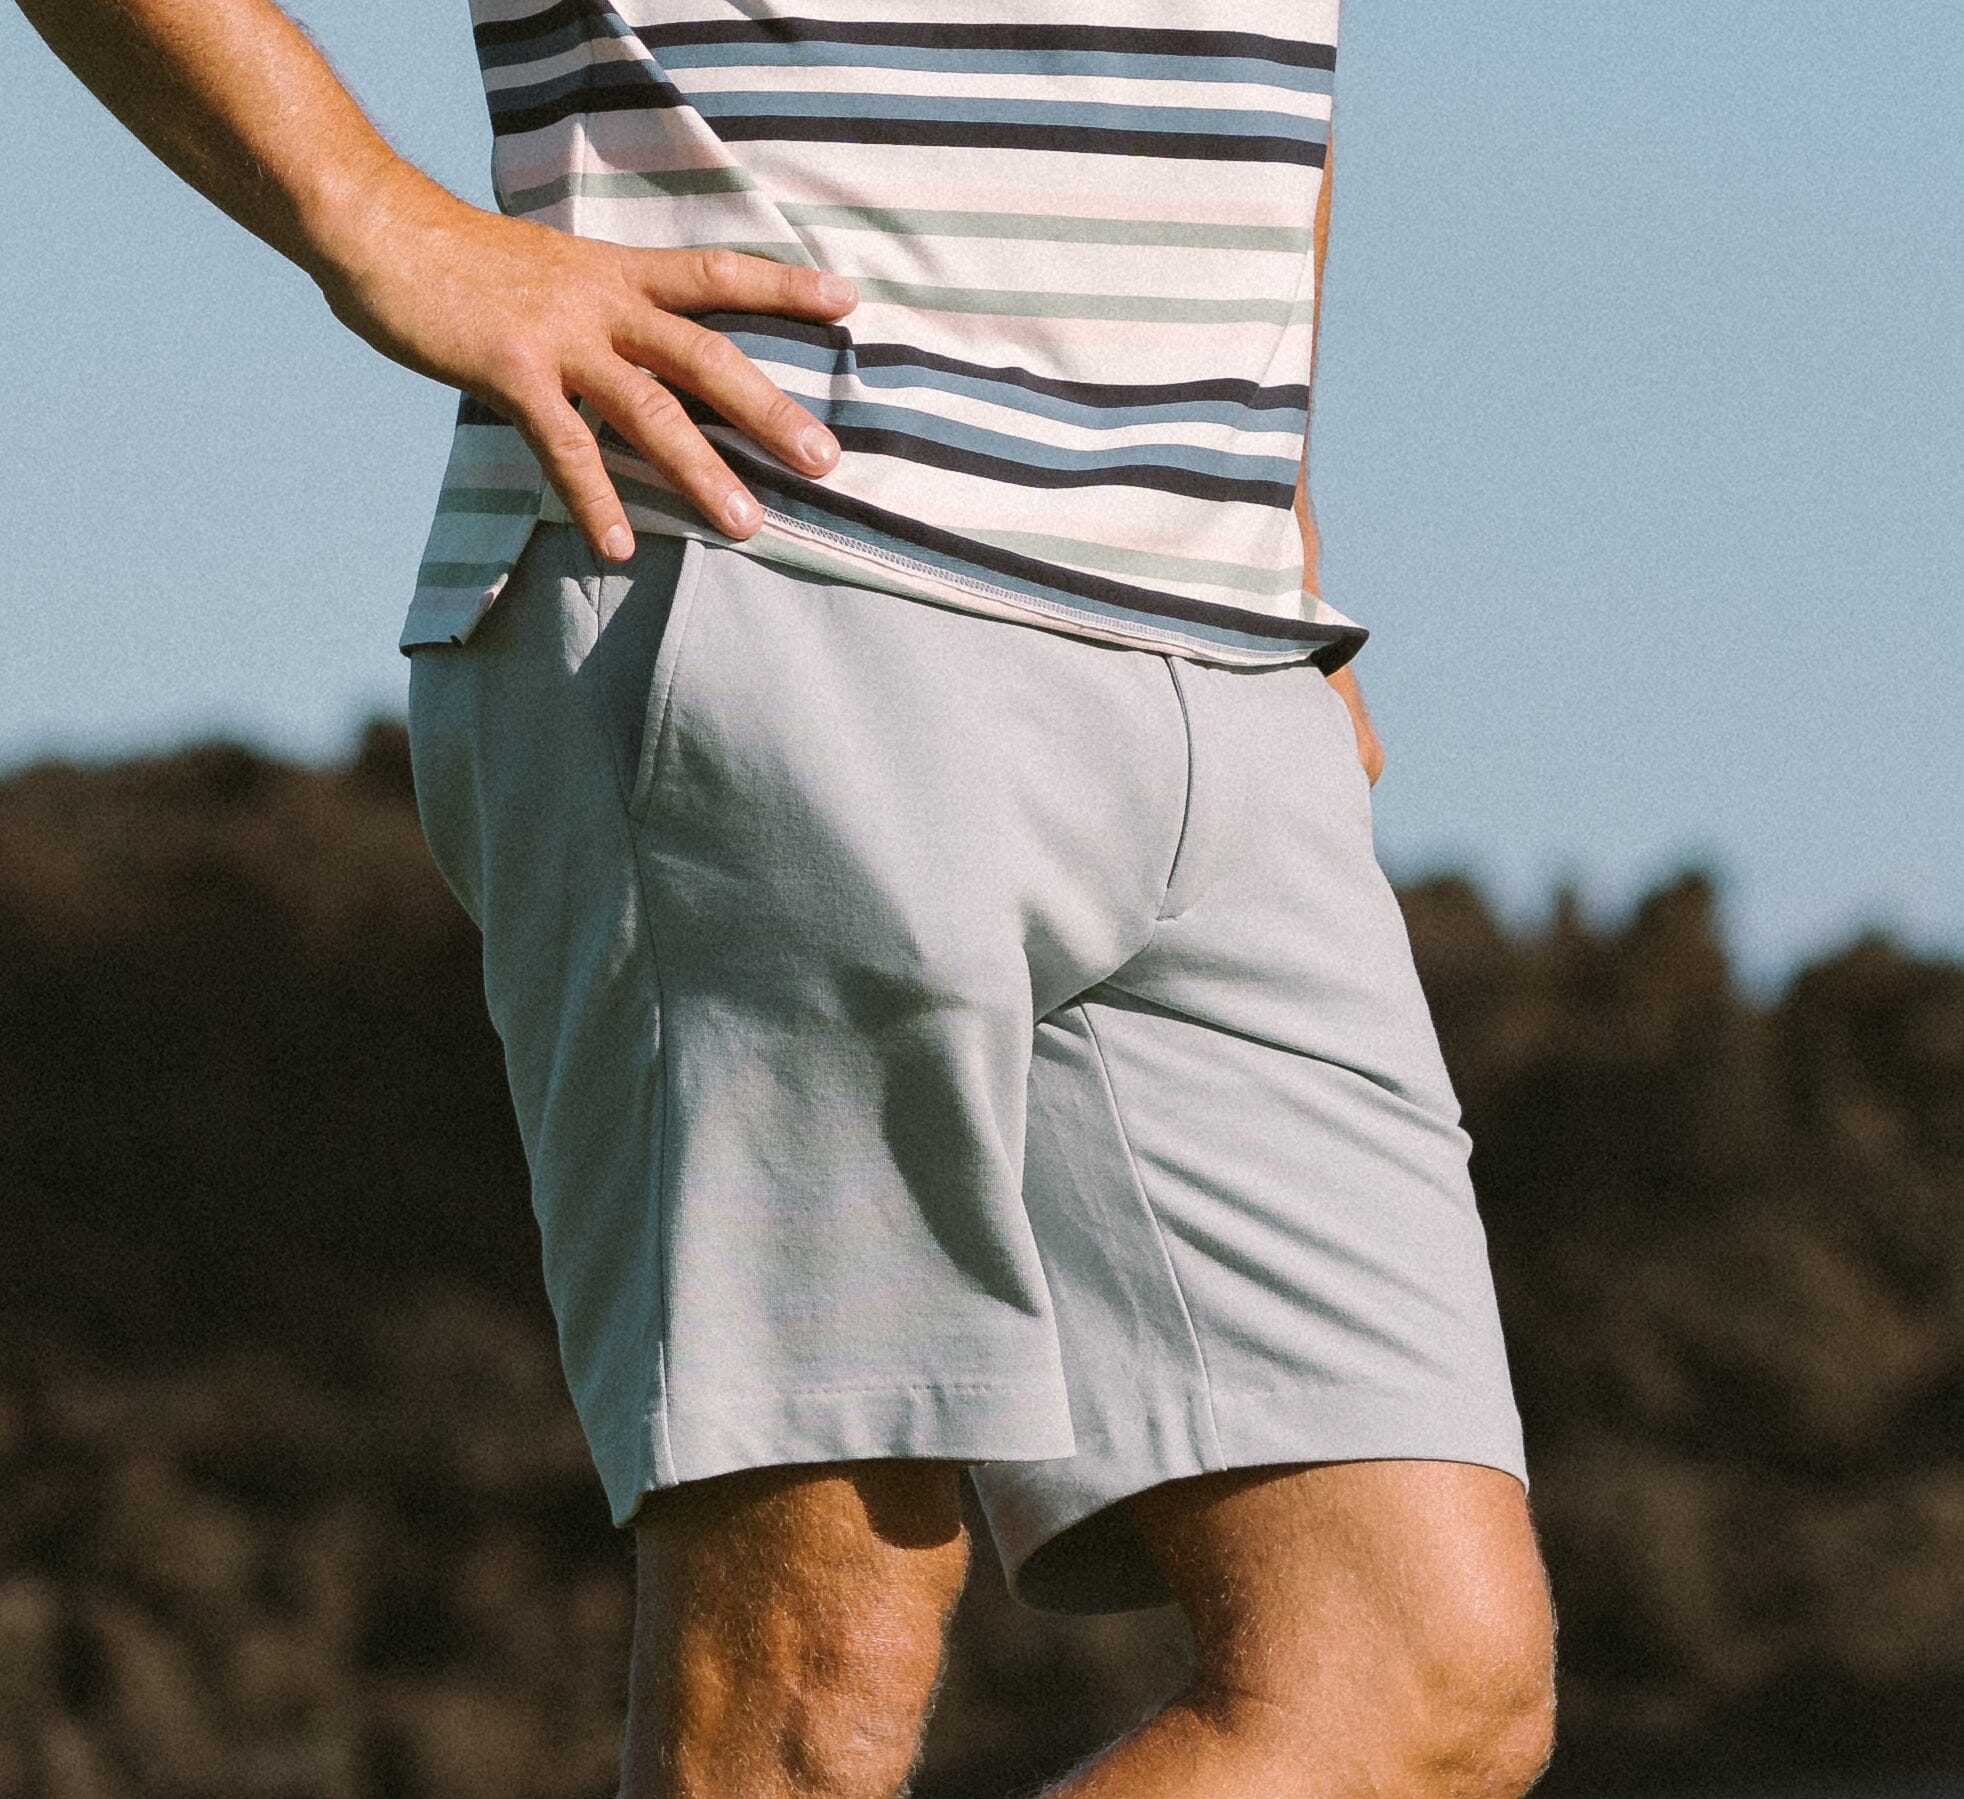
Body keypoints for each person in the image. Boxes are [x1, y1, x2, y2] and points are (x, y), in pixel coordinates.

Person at [22, 0, 1559, 1792]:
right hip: (780, 554)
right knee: (804, 1703)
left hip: (1219, 639)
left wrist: (1274, 516)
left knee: (1426, 1678)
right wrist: (375, 220)